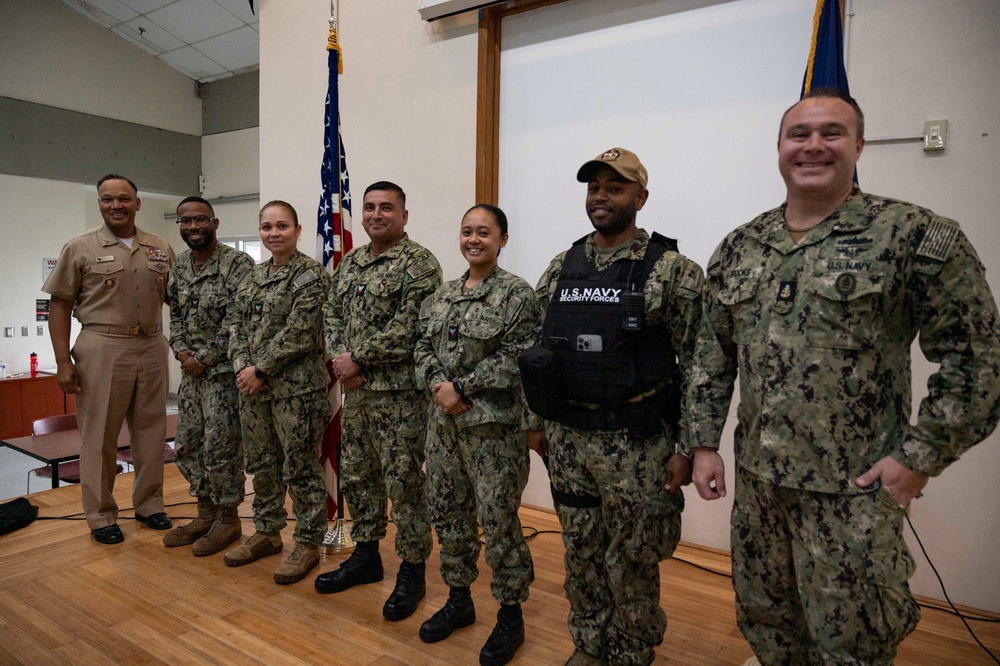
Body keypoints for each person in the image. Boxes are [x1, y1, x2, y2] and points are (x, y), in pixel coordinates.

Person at [686, 88, 1000, 665]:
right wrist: (704, 444)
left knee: (852, 644)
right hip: (761, 488)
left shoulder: (910, 236)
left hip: (850, 494)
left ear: (859, 144)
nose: (813, 146)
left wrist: (919, 457)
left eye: (831, 133)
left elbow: (977, 360)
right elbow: (711, 356)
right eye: (798, 135)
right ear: (779, 148)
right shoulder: (741, 247)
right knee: (767, 622)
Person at [522, 148, 703, 666]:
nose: (601, 196)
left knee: (634, 560)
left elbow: (698, 367)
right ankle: (589, 645)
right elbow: (536, 349)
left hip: (638, 445)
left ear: (640, 198)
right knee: (580, 554)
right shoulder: (563, 265)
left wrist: (688, 448)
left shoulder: (672, 271)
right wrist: (536, 422)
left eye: (615, 187)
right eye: (594, 186)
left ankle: (631, 652)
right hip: (570, 441)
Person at [413, 204, 540, 666]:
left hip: (493, 435)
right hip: (443, 432)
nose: (473, 239)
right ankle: (459, 599)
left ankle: (510, 614)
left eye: (483, 232)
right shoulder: (440, 296)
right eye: (466, 231)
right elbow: (421, 346)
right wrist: (439, 388)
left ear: (502, 239)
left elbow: (518, 355)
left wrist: (462, 388)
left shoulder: (517, 295)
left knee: (500, 522)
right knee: (448, 516)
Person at [315, 181, 442, 623]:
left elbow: (414, 327)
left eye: (386, 207)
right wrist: (340, 360)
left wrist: (360, 357)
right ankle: (367, 555)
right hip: (358, 394)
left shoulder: (420, 264)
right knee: (359, 476)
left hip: (400, 398)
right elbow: (330, 313)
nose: (375, 214)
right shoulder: (350, 263)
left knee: (404, 483)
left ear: (403, 216)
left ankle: (412, 568)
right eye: (369, 207)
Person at [42, 174, 175, 544]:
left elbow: (179, 301)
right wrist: (62, 362)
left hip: (151, 345)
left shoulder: (160, 247)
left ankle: (150, 505)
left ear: (137, 203)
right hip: (101, 346)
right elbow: (59, 305)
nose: (115, 205)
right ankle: (100, 515)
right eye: (107, 199)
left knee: (151, 433)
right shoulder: (80, 247)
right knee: (98, 435)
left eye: (123, 198)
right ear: (100, 203)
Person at [224, 200, 332, 585]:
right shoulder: (251, 277)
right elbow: (234, 325)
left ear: (298, 230)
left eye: (282, 226)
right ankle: (267, 532)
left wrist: (261, 369)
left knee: (300, 468)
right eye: (267, 226)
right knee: (263, 465)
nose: (274, 233)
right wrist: (242, 367)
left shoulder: (310, 275)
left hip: (296, 391)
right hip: (252, 390)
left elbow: (301, 332)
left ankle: (306, 542)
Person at [163, 196, 254, 556]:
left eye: (201, 220)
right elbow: (177, 315)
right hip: (192, 378)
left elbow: (238, 319)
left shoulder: (237, 264)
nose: (193, 227)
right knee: (186, 444)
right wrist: (180, 349)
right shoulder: (181, 266)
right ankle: (205, 513)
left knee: (221, 449)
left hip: (222, 377)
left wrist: (204, 356)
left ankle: (228, 520)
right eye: (185, 222)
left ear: (215, 224)